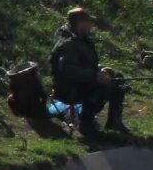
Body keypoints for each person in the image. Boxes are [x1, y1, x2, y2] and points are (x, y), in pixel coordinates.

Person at [49, 8, 129, 137]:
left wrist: (100, 71)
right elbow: (68, 71)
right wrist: (95, 76)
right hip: (68, 89)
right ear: (79, 23)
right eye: (88, 22)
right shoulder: (68, 44)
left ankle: (114, 122)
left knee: (116, 78)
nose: (91, 25)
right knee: (109, 87)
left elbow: (86, 64)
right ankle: (86, 124)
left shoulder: (83, 39)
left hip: (82, 82)